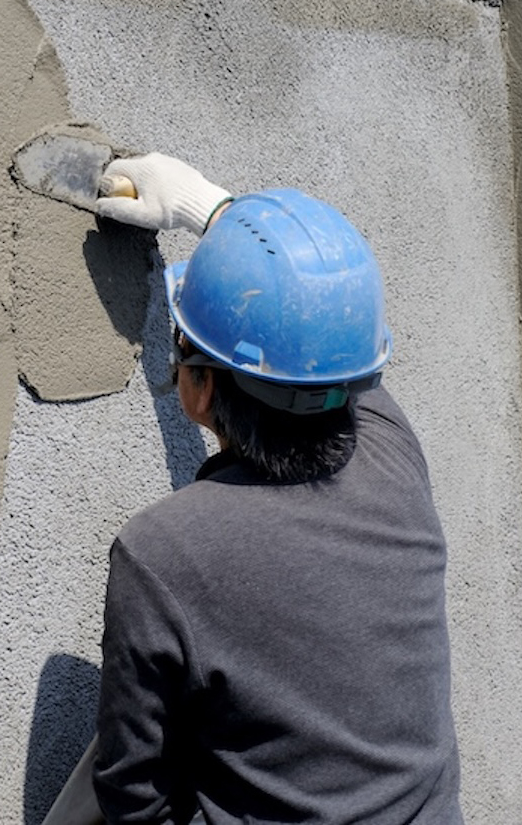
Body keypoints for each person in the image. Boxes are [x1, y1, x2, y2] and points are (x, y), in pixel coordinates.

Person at [43, 154, 462, 824]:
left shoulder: (161, 553)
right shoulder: (391, 448)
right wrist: (204, 206)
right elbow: (320, 316)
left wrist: (208, 212)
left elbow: (135, 799)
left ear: (200, 387)